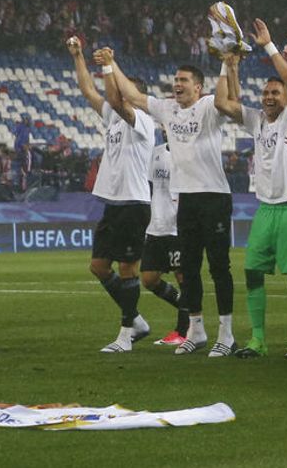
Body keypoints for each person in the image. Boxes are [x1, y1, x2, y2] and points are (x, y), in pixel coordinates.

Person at [109, 39, 241, 357]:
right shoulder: (167, 109)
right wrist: (111, 64)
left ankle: (227, 333)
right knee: (191, 267)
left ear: (198, 87)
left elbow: (231, 101)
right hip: (187, 200)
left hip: (214, 196)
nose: (176, 84)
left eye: (183, 81)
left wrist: (229, 63)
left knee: (219, 267)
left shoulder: (210, 105)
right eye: (175, 80)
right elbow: (132, 95)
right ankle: (196, 330)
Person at [216, 20, 287, 359]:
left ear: (286, 98)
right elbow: (226, 104)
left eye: (275, 93)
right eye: (266, 93)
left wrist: (269, 46)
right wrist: (230, 65)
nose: (270, 97)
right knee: (252, 271)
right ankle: (258, 340)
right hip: (267, 208)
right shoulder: (258, 119)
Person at [68, 39, 153, 353]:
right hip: (114, 203)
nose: (113, 91)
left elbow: (116, 101)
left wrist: (107, 65)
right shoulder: (114, 118)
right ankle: (137, 320)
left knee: (129, 269)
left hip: (133, 202)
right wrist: (78, 57)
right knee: (99, 267)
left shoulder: (142, 119)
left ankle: (126, 334)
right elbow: (89, 91)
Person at [142, 129, 190, 348]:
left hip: (177, 229)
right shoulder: (156, 153)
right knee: (149, 279)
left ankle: (183, 330)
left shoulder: (189, 156)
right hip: (155, 227)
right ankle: (187, 307)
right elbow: (151, 186)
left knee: (184, 277)